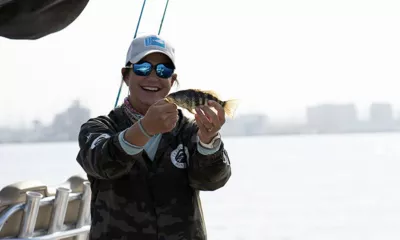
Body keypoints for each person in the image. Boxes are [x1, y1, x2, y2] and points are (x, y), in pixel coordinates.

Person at [76, 33, 232, 240]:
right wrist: (144, 129)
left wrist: (209, 140)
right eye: (142, 68)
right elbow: (103, 162)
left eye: (163, 70)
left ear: (172, 80)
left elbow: (211, 181)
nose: (153, 77)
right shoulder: (99, 128)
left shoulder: (190, 132)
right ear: (126, 76)